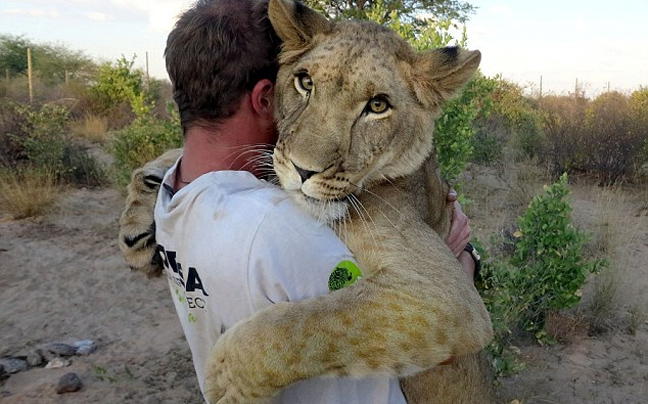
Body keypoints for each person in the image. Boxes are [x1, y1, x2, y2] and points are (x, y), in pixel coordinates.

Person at [154, 0, 477, 402]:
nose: (310, 159)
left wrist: (259, 354)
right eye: (305, 83)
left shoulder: (176, 192)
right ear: (266, 95)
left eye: (375, 105)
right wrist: (461, 261)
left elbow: (450, 316)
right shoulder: (276, 229)